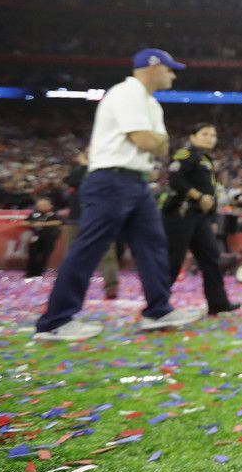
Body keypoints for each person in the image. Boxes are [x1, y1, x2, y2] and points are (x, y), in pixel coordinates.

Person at [33, 48, 204, 341]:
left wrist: (154, 140)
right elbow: (145, 140)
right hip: (111, 179)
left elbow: (162, 147)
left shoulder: (151, 103)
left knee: (153, 244)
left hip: (136, 181)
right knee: (90, 247)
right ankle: (55, 321)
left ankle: (158, 310)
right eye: (169, 69)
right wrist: (154, 140)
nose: (173, 76)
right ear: (153, 68)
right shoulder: (127, 93)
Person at [161, 123, 240, 315]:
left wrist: (210, 217)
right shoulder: (186, 154)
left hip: (200, 217)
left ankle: (218, 303)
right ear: (193, 136)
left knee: (211, 257)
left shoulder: (205, 159)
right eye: (205, 134)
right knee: (173, 259)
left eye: (213, 135)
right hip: (181, 213)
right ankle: (158, 304)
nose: (210, 138)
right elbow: (175, 180)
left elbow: (210, 191)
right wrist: (198, 196)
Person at [64, 149, 123, 299]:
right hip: (78, 217)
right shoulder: (78, 170)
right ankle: (69, 286)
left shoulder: (108, 169)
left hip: (99, 217)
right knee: (72, 254)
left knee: (107, 254)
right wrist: (83, 166)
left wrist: (85, 165)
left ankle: (111, 286)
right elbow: (72, 180)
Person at [24, 198, 63, 278]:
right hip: (36, 237)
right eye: (39, 205)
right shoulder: (34, 214)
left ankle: (39, 273)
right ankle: (30, 273)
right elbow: (25, 222)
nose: (41, 206)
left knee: (44, 255)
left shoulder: (54, 214)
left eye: (44, 205)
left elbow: (59, 222)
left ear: (50, 205)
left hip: (49, 237)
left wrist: (42, 224)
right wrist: (32, 223)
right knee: (32, 255)